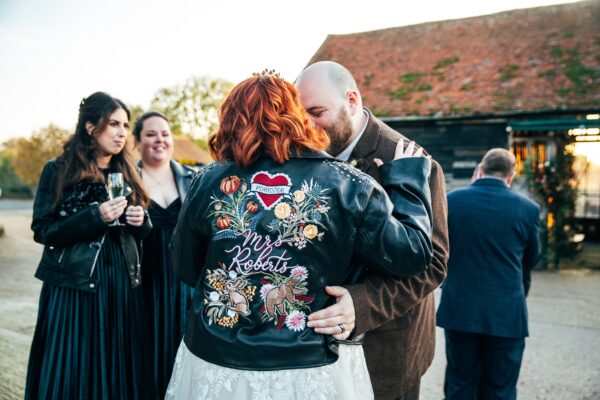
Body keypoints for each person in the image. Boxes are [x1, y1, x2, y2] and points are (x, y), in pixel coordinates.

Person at [165, 71, 434, 399]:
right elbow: (412, 255)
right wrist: (408, 180)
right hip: (308, 362)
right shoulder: (348, 183)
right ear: (295, 114)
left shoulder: (207, 180)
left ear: (230, 120)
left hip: (218, 358)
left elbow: (185, 268)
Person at [295, 61, 449, 400]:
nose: (306, 126)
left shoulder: (412, 160)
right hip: (312, 352)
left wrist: (362, 305)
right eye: (300, 115)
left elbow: (434, 264)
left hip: (385, 350)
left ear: (351, 100)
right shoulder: (302, 159)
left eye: (316, 112)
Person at [25, 92, 153, 399]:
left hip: (119, 284)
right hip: (73, 288)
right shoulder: (56, 170)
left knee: (114, 366)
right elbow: (43, 231)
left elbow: (140, 232)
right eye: (113, 124)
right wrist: (93, 216)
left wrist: (141, 221)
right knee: (71, 367)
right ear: (90, 127)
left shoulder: (129, 172)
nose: (122, 132)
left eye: (125, 125)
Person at [437, 148, 541, 400]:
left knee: (460, 384)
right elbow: (533, 258)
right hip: (506, 312)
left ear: (480, 170)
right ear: (511, 176)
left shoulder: (452, 201)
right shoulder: (528, 209)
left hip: (460, 310)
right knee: (500, 388)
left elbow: (439, 250)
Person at [133, 111, 195, 397]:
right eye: (150, 134)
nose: (160, 140)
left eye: (165, 134)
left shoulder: (192, 178)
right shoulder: (126, 178)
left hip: (182, 282)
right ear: (137, 141)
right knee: (142, 350)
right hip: (141, 279)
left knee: (181, 349)